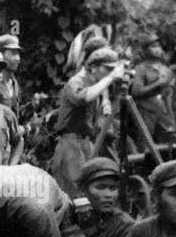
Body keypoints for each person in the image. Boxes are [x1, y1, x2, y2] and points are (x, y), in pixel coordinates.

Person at [51, 48, 127, 198]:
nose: (111, 72)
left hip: (86, 144)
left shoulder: (94, 82)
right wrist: (110, 78)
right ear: (93, 67)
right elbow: (84, 97)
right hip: (71, 145)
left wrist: (106, 99)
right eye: (107, 68)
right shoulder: (76, 82)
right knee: (76, 194)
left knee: (89, 193)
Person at [74, 157, 135, 237]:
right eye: (101, 187)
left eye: (113, 188)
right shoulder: (68, 217)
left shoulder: (123, 226)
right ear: (82, 190)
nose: (108, 195)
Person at [131, 33, 176, 144]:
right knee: (145, 145)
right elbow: (136, 92)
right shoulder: (141, 68)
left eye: (159, 46)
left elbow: (172, 94)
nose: (157, 49)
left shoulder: (166, 69)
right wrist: (157, 84)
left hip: (164, 112)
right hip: (147, 111)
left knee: (170, 144)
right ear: (146, 49)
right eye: (153, 46)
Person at [0, 34, 23, 123]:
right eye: (13, 53)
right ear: (0, 55)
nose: (18, 58)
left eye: (18, 54)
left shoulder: (14, 83)